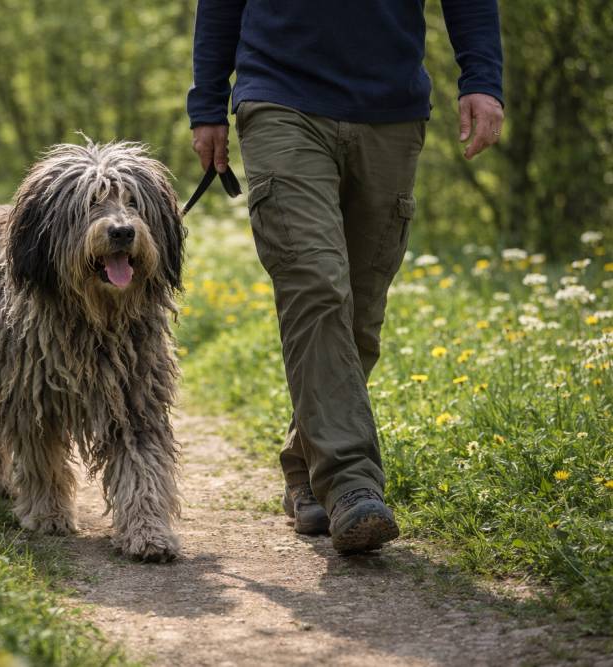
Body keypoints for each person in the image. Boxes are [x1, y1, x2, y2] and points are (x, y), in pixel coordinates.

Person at [187, 1, 504, 553]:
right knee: (316, 283)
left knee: (359, 308)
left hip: (391, 108)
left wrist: (482, 77)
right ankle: (352, 483)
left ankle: (306, 468)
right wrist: (206, 102)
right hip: (280, 98)